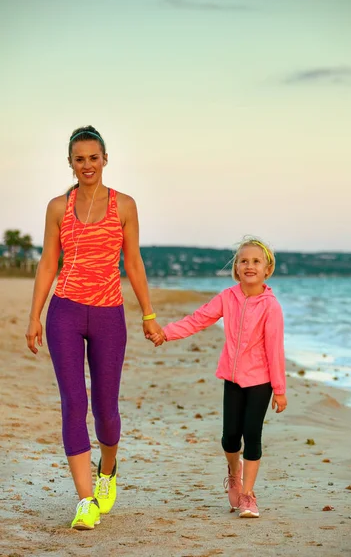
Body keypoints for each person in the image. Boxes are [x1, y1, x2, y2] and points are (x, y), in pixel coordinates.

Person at [25, 125, 162, 530]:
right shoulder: (56, 207)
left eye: (93, 157)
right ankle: (86, 500)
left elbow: (133, 263)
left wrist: (149, 314)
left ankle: (108, 469)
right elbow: (49, 262)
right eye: (79, 158)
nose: (87, 165)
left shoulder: (125, 206)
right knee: (73, 404)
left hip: (108, 314)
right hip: (65, 311)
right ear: (70, 163)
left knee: (105, 411)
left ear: (105, 159)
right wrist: (35, 315)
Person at [150, 237, 287, 518]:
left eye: (256, 261)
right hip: (233, 378)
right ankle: (233, 473)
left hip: (260, 381)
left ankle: (248, 495)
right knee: (229, 439)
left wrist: (279, 389)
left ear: (267, 270)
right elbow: (198, 319)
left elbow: (275, 349)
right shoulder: (228, 297)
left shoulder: (271, 306)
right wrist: (166, 332)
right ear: (236, 268)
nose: (249, 265)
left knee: (253, 435)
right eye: (243, 261)